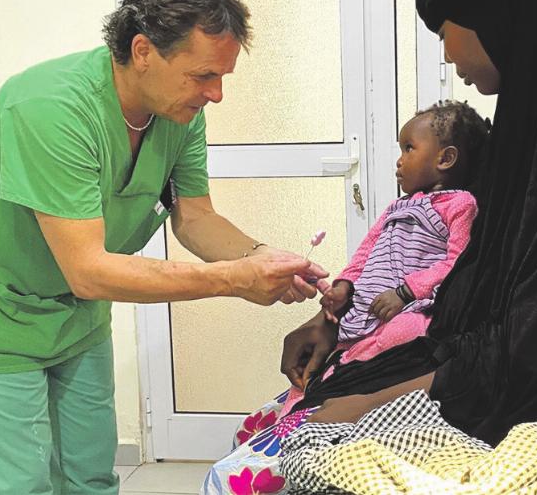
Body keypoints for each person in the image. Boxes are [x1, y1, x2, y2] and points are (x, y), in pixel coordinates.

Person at [0, 0, 327, 495]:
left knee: (92, 472)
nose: (215, 94)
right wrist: (234, 280)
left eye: (221, 77)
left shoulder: (176, 111)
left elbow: (195, 216)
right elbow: (90, 271)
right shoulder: (52, 108)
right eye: (202, 76)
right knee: (21, 485)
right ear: (143, 51)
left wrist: (262, 258)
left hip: (78, 307)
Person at [281, 0, 537, 445]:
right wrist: (333, 321)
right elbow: (461, 267)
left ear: (496, 10)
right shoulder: (524, 127)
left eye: (443, 32)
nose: (449, 56)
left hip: (533, 404)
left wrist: (370, 405)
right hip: (470, 362)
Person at [200, 100, 490, 493]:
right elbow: (362, 256)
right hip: (364, 310)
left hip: (408, 310)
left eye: (409, 148)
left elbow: (456, 264)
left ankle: (338, 388)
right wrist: (342, 288)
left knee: (405, 329)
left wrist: (406, 292)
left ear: (446, 158)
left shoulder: (461, 205)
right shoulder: (395, 208)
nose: (399, 160)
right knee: (325, 357)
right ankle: (299, 410)